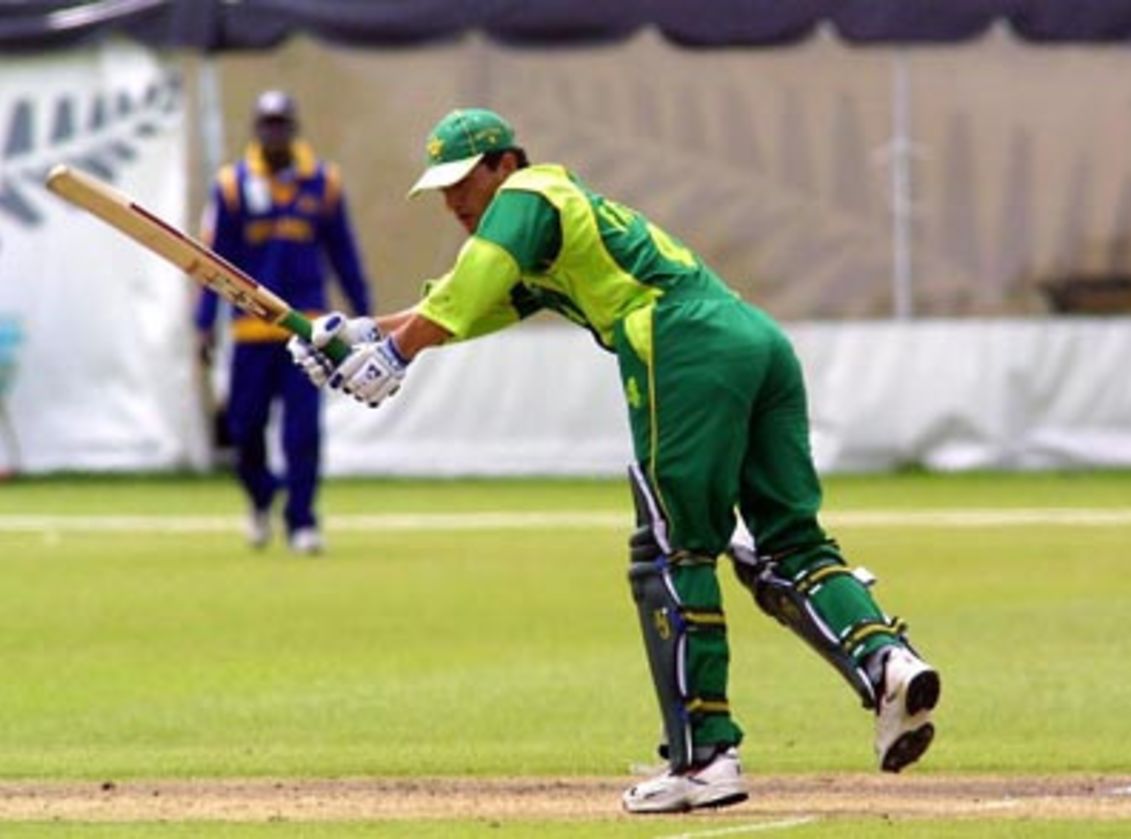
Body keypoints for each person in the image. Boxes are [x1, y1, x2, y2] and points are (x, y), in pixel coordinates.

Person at [287, 108, 941, 811]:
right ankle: (887, 664)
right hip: (753, 338)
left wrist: (393, 354)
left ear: (505, 163)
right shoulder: (549, 233)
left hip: (679, 338)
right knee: (785, 545)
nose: (453, 201)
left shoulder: (528, 197)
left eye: (463, 181)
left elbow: (471, 281)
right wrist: (353, 334)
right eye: (441, 188)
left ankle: (706, 759)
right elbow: (462, 309)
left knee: (672, 550)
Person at [195, 90, 372, 555]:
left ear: (293, 128)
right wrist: (203, 323)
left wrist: (366, 316)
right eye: (267, 124)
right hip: (250, 332)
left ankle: (302, 522)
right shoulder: (232, 186)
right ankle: (260, 498)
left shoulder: (322, 182)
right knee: (244, 428)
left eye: (281, 124)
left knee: (303, 431)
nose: (274, 133)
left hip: (306, 328)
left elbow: (343, 254)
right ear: (257, 128)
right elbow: (213, 261)